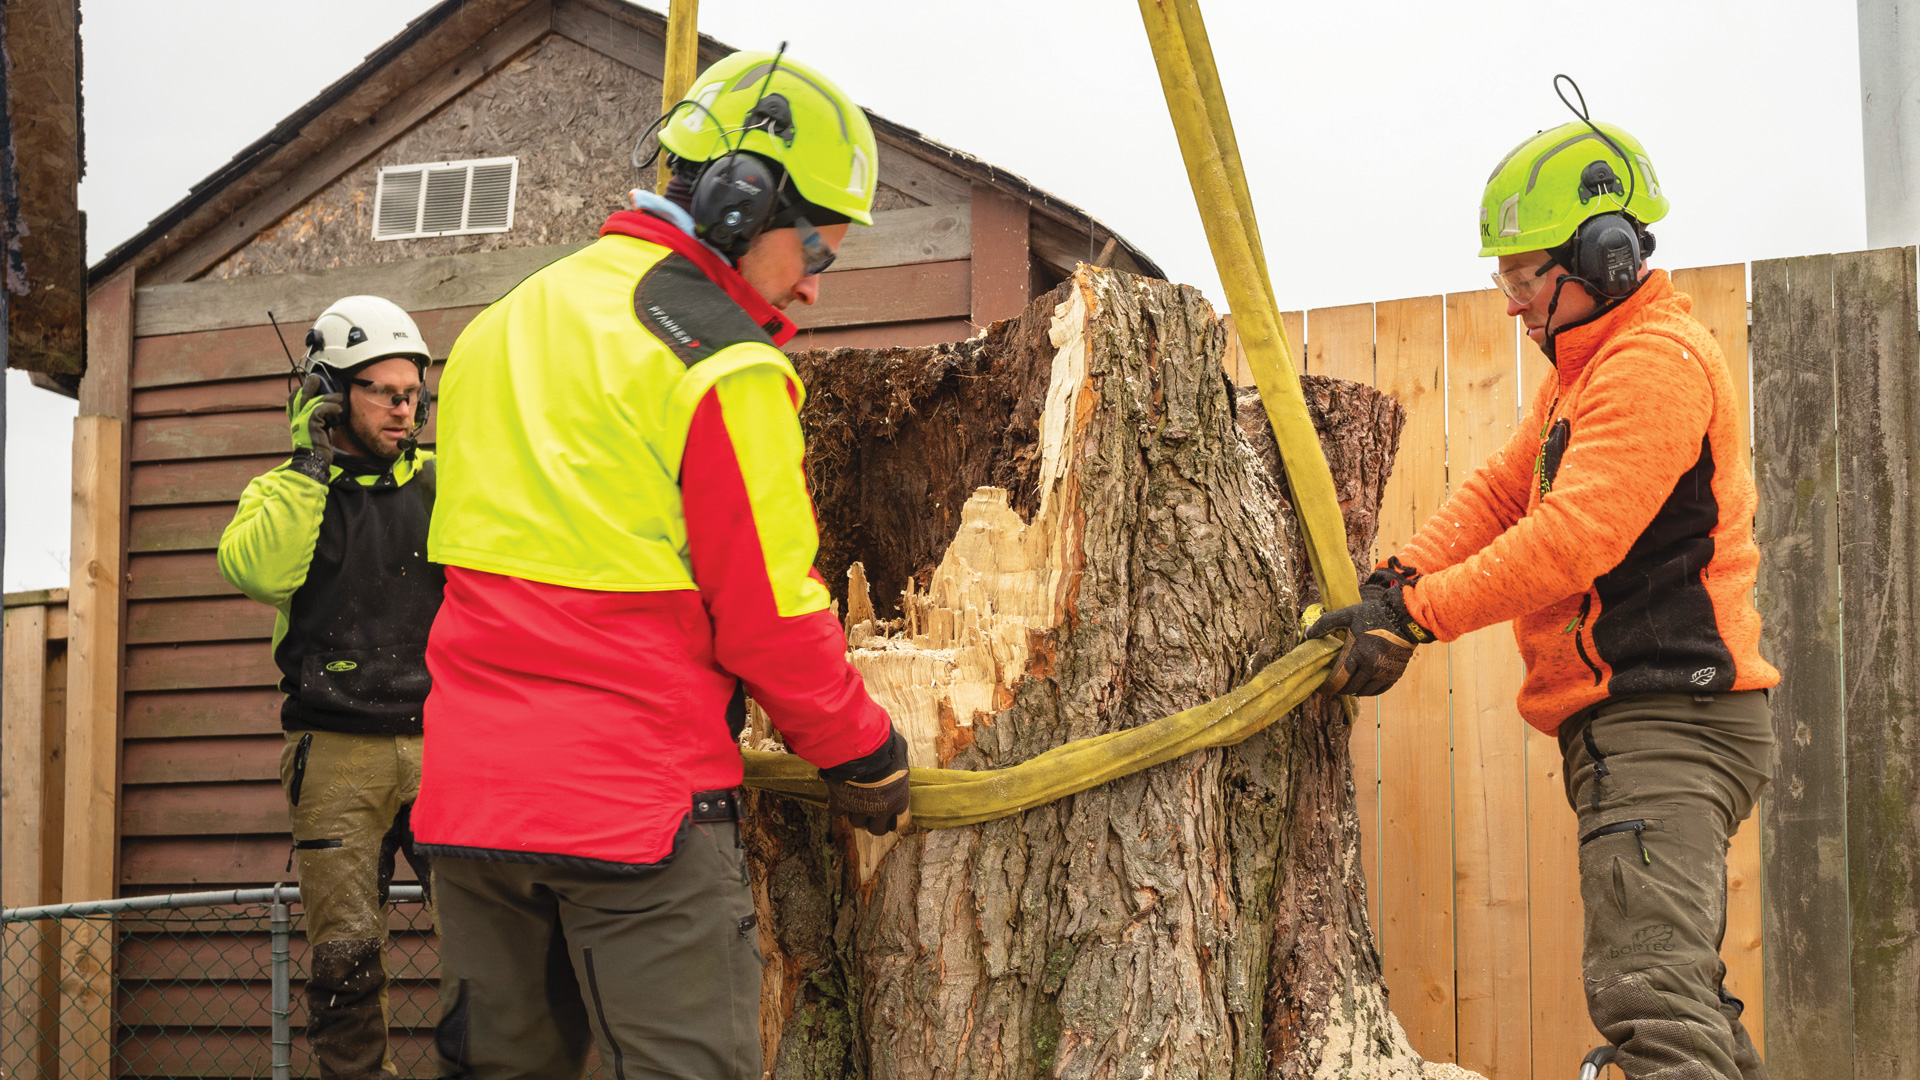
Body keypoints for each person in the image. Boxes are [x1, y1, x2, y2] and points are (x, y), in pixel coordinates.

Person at [411, 49, 910, 1080]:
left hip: (468, 807)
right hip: (634, 814)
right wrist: (863, 752)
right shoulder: (721, 364)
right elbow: (772, 614)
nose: (816, 281)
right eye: (817, 244)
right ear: (740, 201)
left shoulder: (502, 326)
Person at [1306, 105, 1778, 1080]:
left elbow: (1572, 541)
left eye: (1526, 279)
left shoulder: (1653, 368)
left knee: (1658, 1016)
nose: (1513, 304)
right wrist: (1397, 581)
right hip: (1643, 726)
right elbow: (1496, 492)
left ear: (1605, 256)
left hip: (1667, 722)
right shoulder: (1585, 373)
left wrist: (1417, 618)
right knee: (1685, 1010)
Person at [217, 296, 442, 1080]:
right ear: (329, 392)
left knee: (491, 942)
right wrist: (311, 464)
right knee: (346, 960)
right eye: (384, 391)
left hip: (447, 746)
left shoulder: (444, 486)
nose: (405, 407)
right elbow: (262, 570)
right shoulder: (284, 491)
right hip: (335, 751)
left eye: (413, 391)